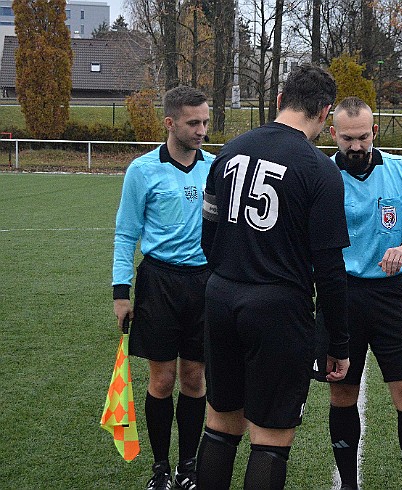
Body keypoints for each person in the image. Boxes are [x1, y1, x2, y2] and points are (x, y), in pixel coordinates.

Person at [195, 64, 351, 490]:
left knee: (221, 424)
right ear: (325, 111)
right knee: (270, 437)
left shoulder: (230, 150)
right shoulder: (319, 169)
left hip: (222, 295)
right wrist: (338, 341)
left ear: (280, 100)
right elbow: (331, 270)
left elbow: (208, 235)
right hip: (278, 308)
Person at [316, 96, 402, 490]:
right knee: (342, 393)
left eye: (363, 138)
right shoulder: (320, 173)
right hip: (339, 296)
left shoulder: (401, 171)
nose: (356, 147)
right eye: (347, 139)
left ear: (375, 132)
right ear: (333, 133)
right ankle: (349, 485)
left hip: (391, 297)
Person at [112, 85, 214, 490]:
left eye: (205, 121)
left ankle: (189, 467)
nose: (202, 130)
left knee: (194, 378)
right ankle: (161, 470)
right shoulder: (142, 170)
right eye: (193, 122)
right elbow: (126, 233)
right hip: (159, 283)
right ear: (170, 123)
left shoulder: (217, 168)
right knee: (161, 380)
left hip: (205, 284)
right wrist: (122, 292)